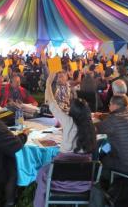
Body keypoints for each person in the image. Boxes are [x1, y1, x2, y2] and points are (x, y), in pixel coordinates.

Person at [34, 72, 97, 206]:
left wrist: (48, 83)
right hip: (84, 180)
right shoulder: (91, 128)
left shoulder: (68, 122)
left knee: (42, 173)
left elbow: (51, 103)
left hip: (61, 178)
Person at [95, 95, 128, 173]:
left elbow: (95, 129)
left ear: (114, 105)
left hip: (127, 165)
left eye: (110, 104)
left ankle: (104, 178)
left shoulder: (113, 120)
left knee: (100, 153)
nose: (109, 107)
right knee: (107, 145)